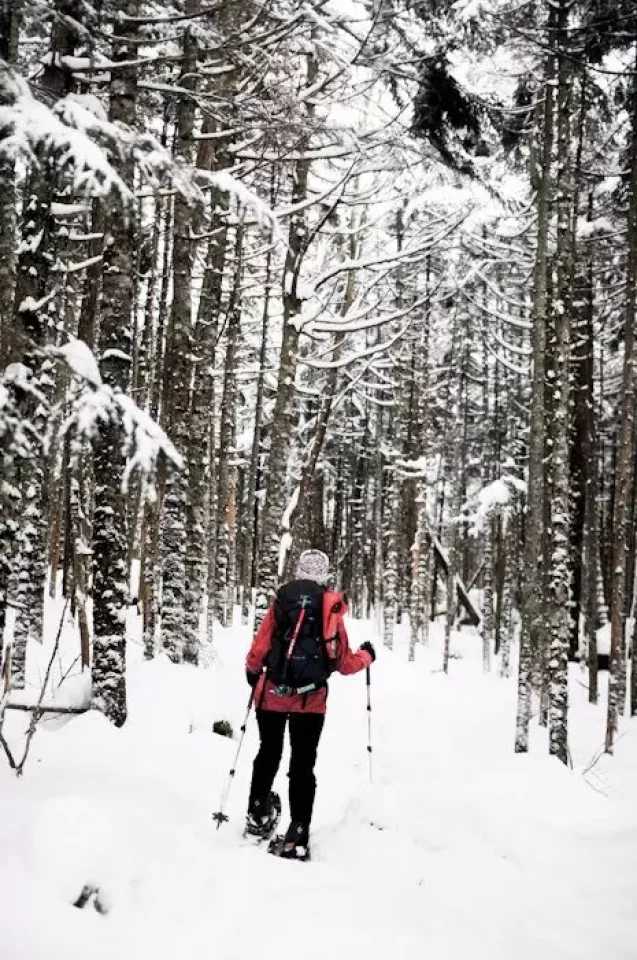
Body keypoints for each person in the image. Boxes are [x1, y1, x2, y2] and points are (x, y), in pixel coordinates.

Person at [245, 549, 375, 858]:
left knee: (268, 752)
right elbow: (343, 663)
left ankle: (258, 813)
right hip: (311, 700)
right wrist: (367, 656)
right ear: (325, 574)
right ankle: (298, 833)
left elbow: (261, 645)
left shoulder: (282, 601)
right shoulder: (329, 607)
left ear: (299, 570)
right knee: (302, 765)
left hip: (272, 695)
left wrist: (252, 673)